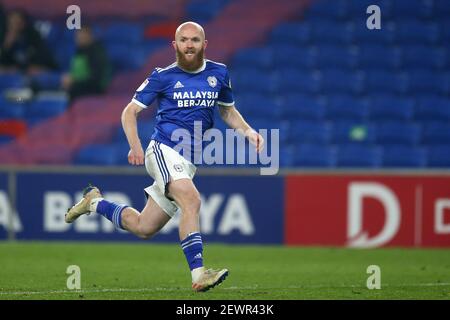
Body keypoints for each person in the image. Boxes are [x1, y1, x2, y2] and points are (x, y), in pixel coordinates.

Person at [65, 21, 264, 292]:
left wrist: (248, 131)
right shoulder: (162, 76)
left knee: (144, 227)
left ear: (204, 44)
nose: (189, 44)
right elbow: (129, 112)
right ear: (175, 45)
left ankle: (94, 202)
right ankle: (199, 275)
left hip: (188, 162)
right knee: (191, 200)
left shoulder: (219, 73)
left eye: (195, 40)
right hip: (163, 149)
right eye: (184, 40)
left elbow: (227, 110)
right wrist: (135, 146)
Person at [61, 26, 111, 101]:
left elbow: (95, 80)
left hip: (92, 95)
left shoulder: (97, 53)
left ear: (89, 35)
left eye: (82, 34)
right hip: (77, 93)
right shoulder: (79, 51)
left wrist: (74, 82)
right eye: (77, 35)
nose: (79, 37)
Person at [0, 9, 57, 74]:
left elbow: (43, 59)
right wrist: (6, 45)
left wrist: (28, 68)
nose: (13, 27)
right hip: (13, 74)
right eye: (10, 23)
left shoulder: (32, 37)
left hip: (32, 72)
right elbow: (3, 62)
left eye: (16, 23)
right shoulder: (4, 38)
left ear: (23, 24)